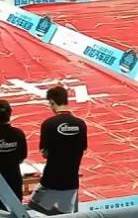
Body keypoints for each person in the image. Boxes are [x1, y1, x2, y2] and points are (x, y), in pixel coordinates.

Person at [31, 85, 87, 215]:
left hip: (51, 179)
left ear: (52, 102)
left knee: (34, 205)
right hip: (71, 180)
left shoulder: (48, 124)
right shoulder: (81, 124)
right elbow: (83, 149)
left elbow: (45, 153)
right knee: (66, 214)